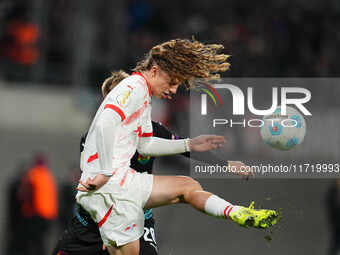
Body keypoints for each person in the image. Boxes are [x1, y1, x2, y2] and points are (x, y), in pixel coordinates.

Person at [76, 38, 278, 255]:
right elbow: (107, 121)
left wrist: (189, 143)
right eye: (172, 82)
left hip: (123, 182)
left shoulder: (143, 94)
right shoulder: (133, 87)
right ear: (154, 70)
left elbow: (145, 144)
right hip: (110, 189)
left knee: (186, 186)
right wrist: (105, 172)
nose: (174, 90)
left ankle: (236, 212)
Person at [53, 71, 252, 255]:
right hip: (93, 222)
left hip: (136, 214)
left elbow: (187, 150)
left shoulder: (151, 131)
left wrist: (225, 164)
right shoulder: (93, 138)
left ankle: (232, 211)